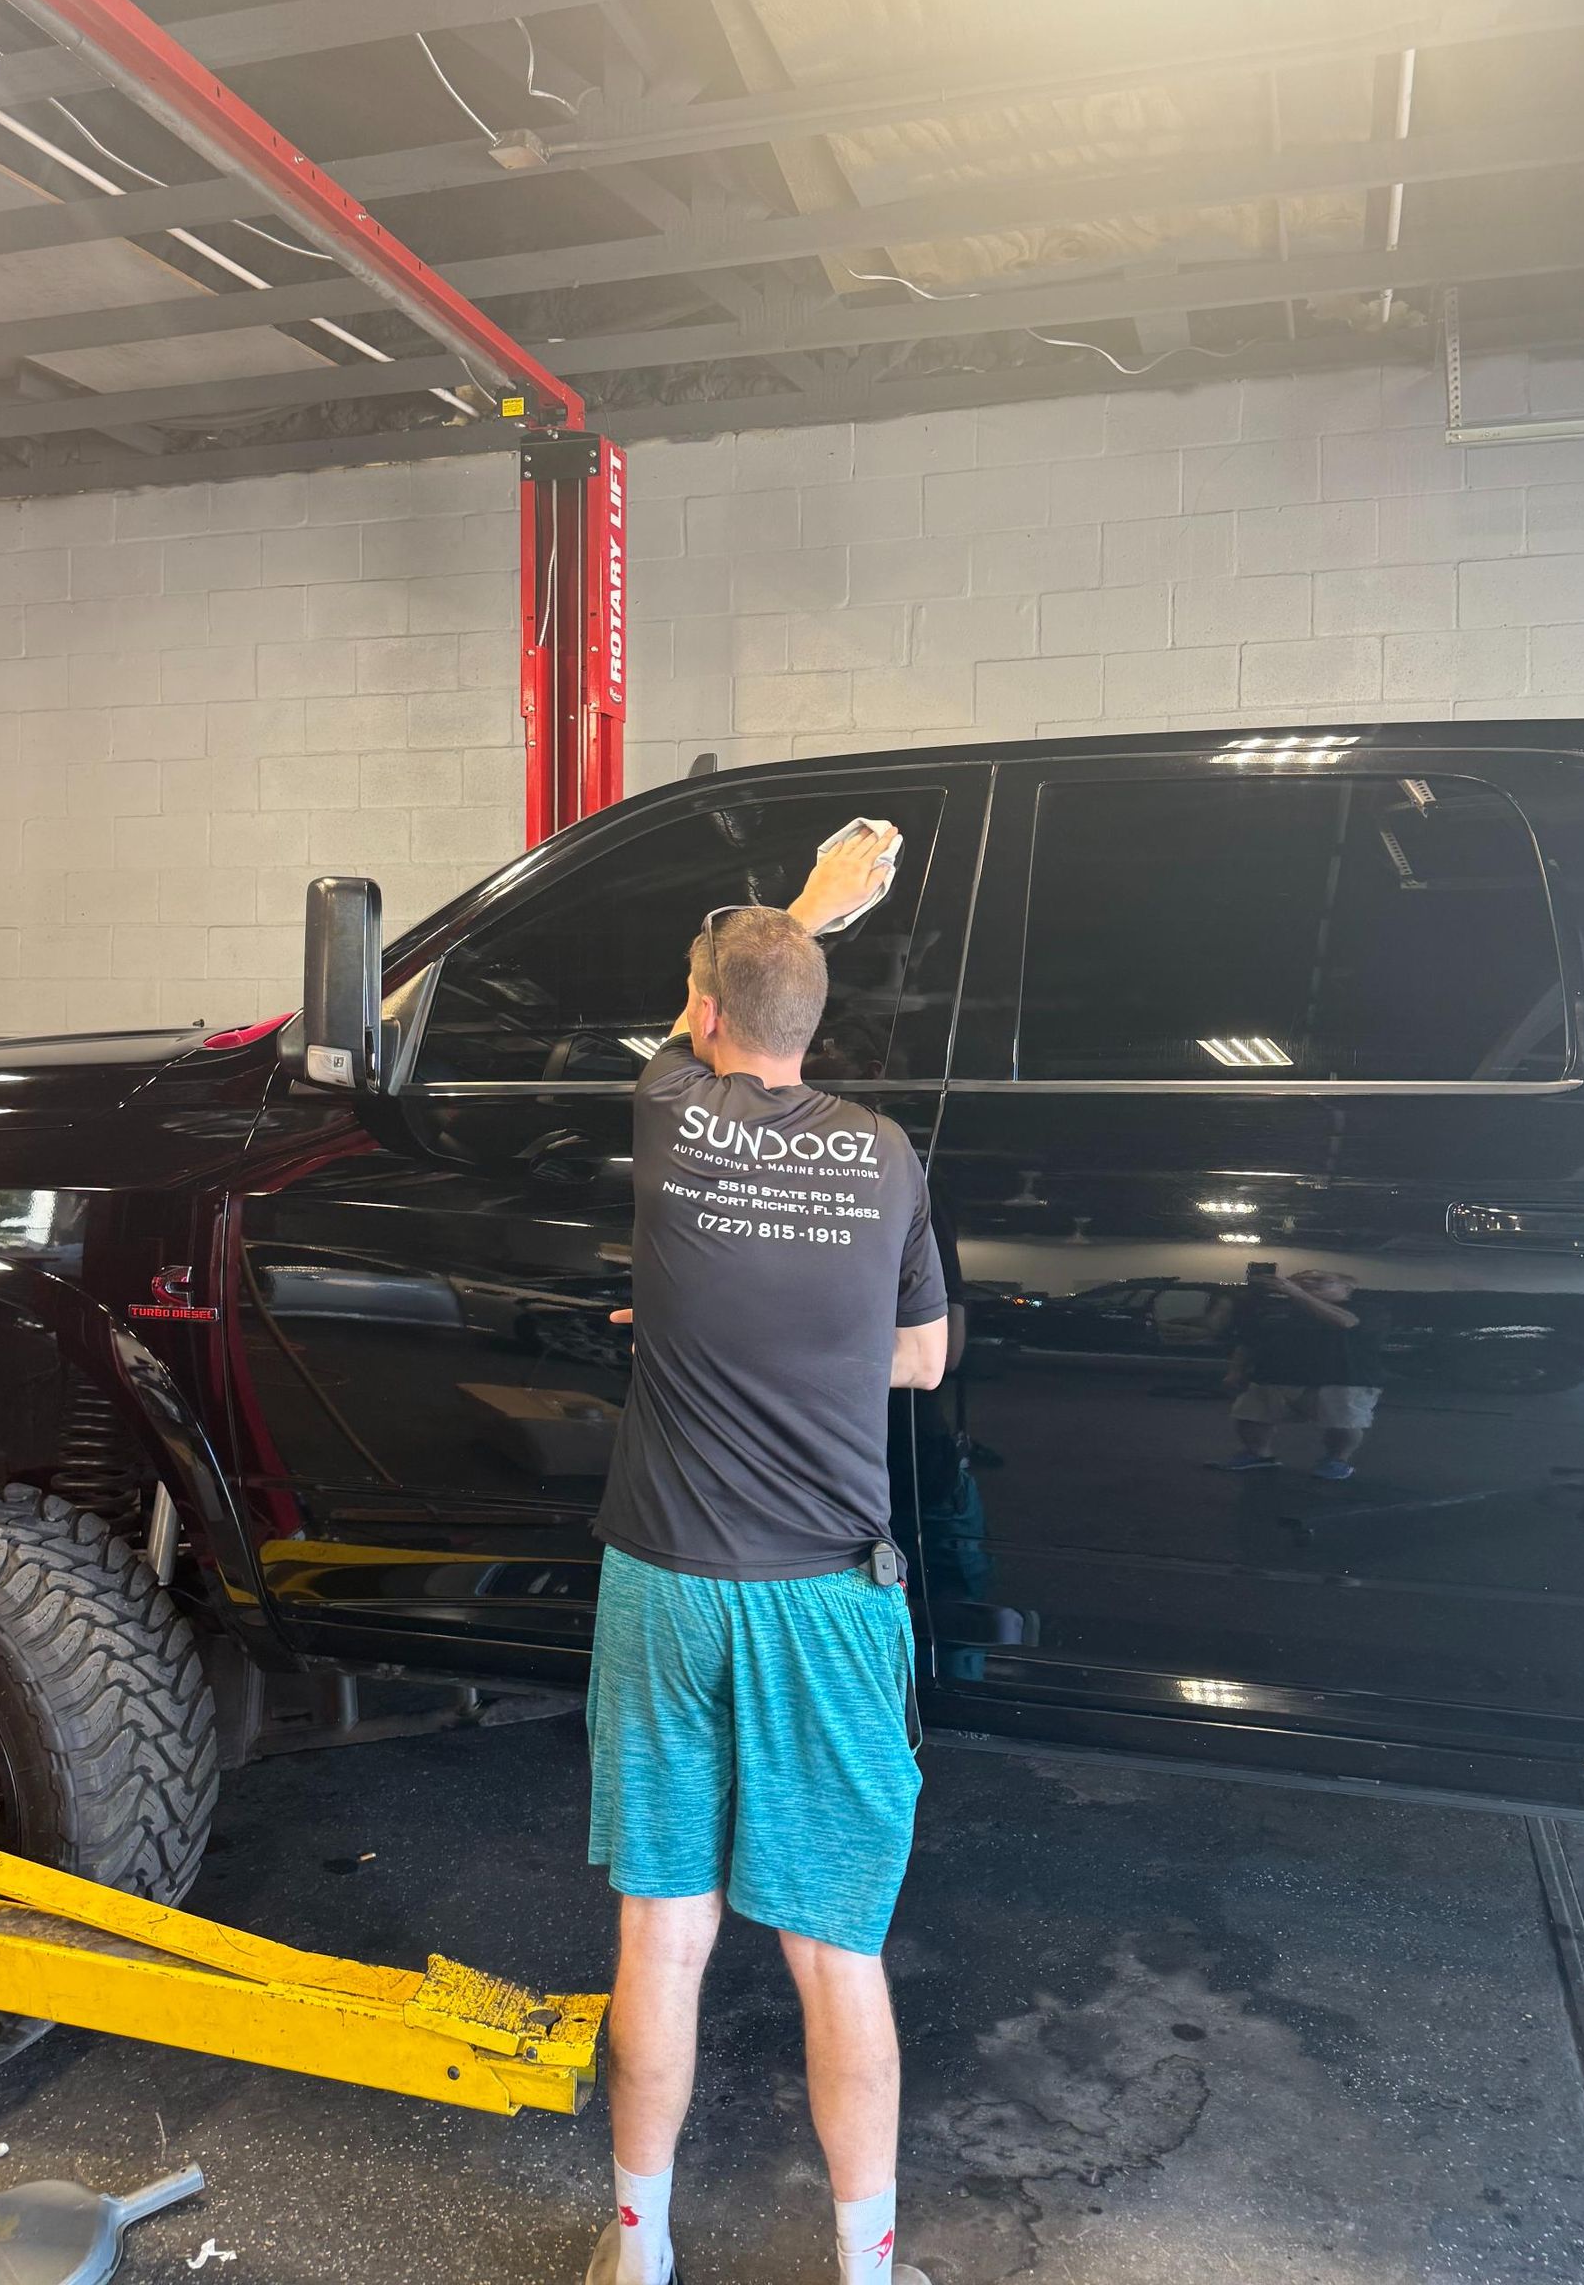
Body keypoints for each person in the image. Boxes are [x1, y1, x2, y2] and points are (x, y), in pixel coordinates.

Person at [584, 823, 949, 2285]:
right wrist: (812, 1343)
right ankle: (865, 2272)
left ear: (704, 1020)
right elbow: (917, 1359)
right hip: (823, 1597)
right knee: (831, 1952)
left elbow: (720, 1000)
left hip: (666, 1586)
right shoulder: (884, 1151)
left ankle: (638, 2251)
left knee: (663, 1936)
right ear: (818, 1030)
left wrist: (804, 906)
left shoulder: (669, 1116)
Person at [1218, 1267, 1383, 1480]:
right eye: (1300, 1281)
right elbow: (1249, 1342)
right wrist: (1235, 1371)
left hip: (1342, 1379)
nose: (1309, 1284)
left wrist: (1299, 1294)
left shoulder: (1366, 1309)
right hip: (1274, 1376)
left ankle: (1337, 1460)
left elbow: (1346, 1322)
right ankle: (1257, 1455)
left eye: (1320, 1280)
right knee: (1250, 1417)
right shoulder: (1275, 1311)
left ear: (1347, 1287)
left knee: (1344, 1424)